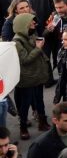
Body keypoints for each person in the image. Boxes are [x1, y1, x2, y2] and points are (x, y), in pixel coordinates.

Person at [13, 12, 48, 140]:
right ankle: (23, 127)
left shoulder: (31, 34)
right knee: (25, 104)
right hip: (27, 78)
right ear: (23, 24)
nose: (34, 23)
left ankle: (43, 122)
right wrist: (38, 48)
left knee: (39, 100)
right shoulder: (17, 41)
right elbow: (25, 60)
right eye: (31, 21)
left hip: (37, 75)